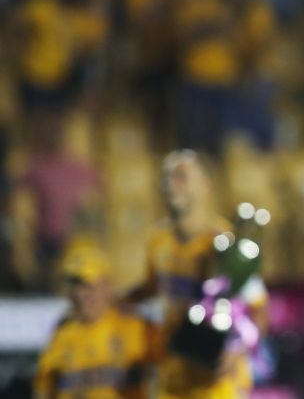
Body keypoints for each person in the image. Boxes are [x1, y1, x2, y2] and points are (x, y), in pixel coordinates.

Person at [127, 150, 267, 399]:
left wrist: (238, 350)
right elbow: (151, 291)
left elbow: (258, 312)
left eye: (180, 177)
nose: (170, 184)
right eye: (166, 177)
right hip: (171, 377)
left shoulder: (227, 244)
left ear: (205, 186)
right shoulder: (158, 240)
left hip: (214, 383)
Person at [35, 243, 153, 399]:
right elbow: (44, 389)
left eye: (91, 286)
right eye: (76, 286)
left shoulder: (134, 327)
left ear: (107, 287)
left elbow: (175, 369)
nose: (82, 295)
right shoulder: (62, 335)